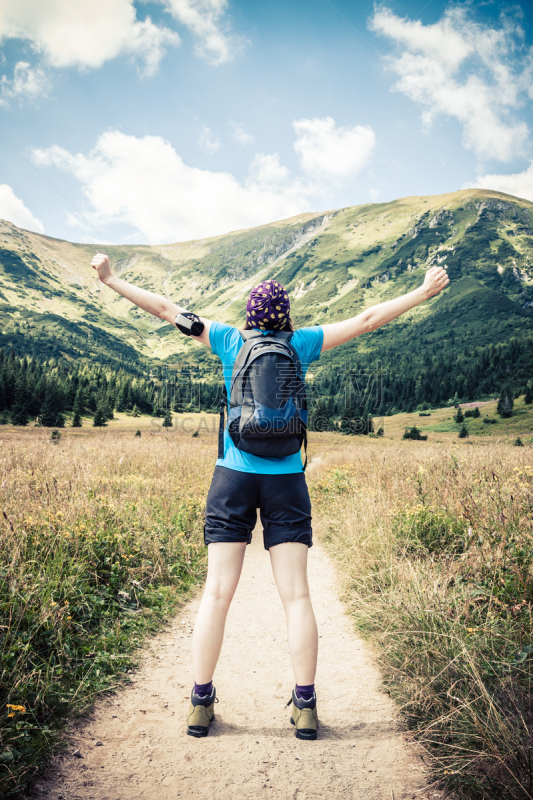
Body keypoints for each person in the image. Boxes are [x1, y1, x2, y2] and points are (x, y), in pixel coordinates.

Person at [91, 252, 449, 740]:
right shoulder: (302, 343)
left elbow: (163, 308)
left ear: (249, 315)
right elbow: (367, 320)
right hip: (287, 480)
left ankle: (200, 703)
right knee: (297, 595)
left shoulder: (226, 339)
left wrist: (111, 279)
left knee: (216, 593)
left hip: (232, 478)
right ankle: (305, 708)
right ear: (286, 316)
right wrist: (423, 291)